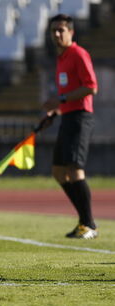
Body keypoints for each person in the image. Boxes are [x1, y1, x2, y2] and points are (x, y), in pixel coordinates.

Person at [41, 14, 99, 239]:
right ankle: (84, 221)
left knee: (75, 170)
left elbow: (91, 87)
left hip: (80, 117)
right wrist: (54, 113)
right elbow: (66, 96)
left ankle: (89, 224)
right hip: (67, 117)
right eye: (54, 30)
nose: (57, 34)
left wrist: (61, 101)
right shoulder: (61, 59)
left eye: (61, 30)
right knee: (58, 171)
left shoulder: (78, 54)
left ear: (71, 32)